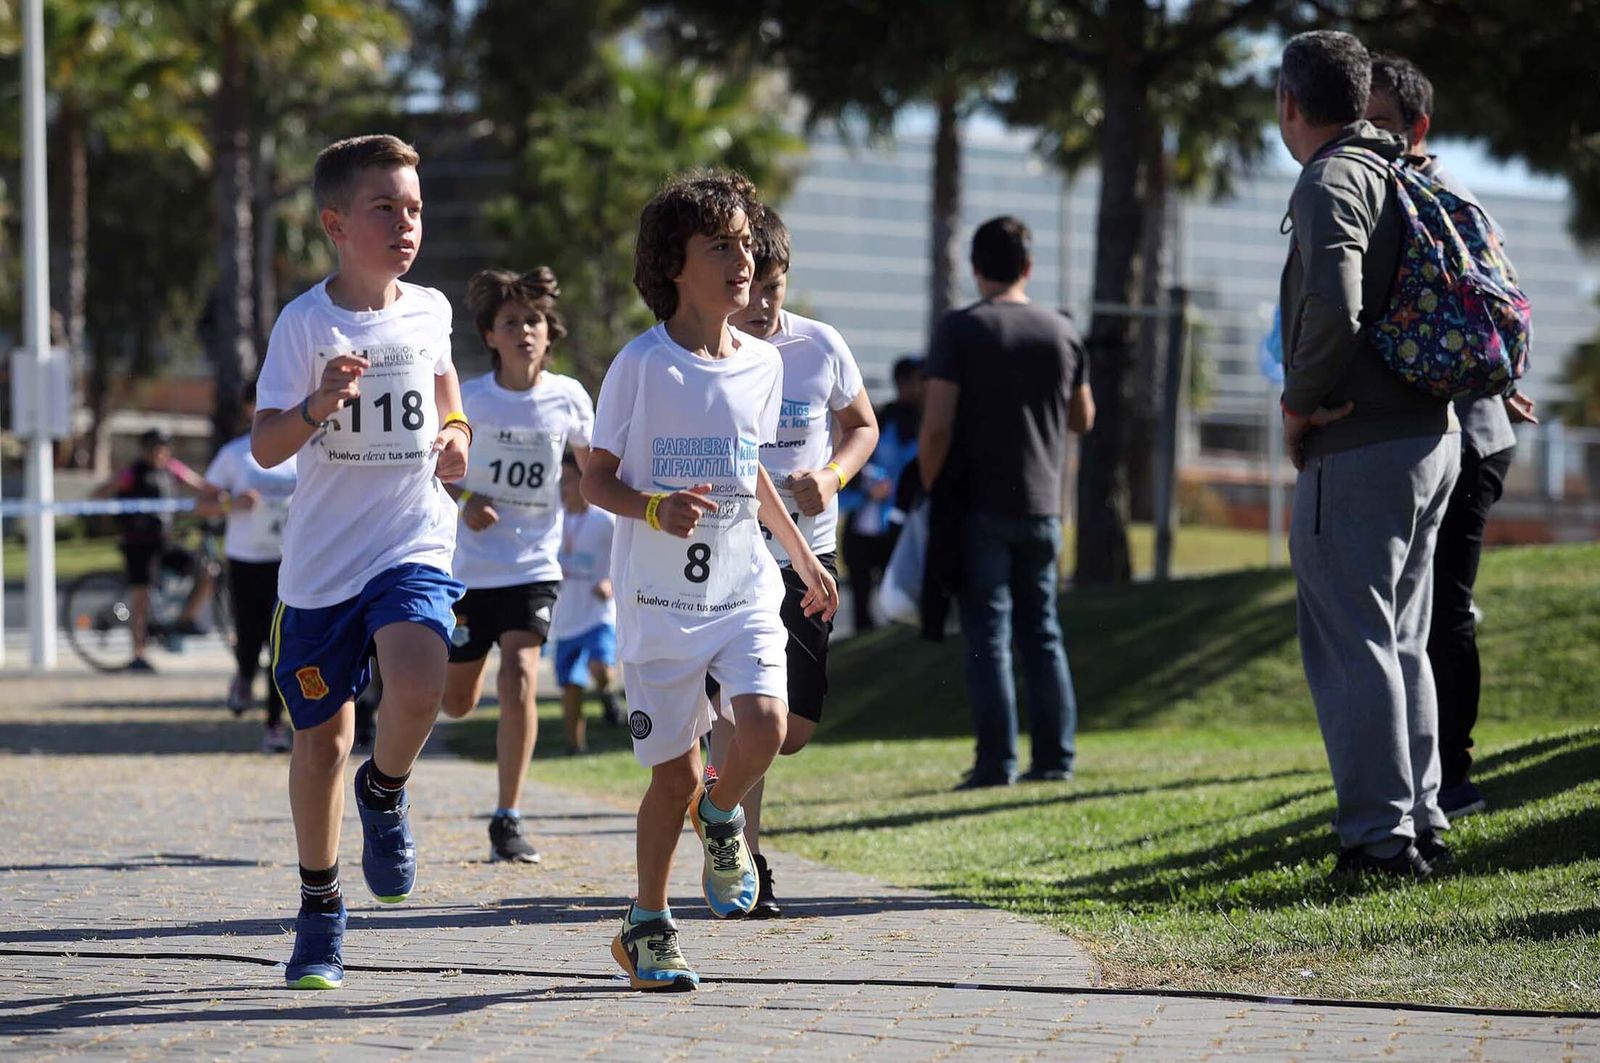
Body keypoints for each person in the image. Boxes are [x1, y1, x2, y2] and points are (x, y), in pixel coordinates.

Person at [583, 169, 838, 990]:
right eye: (719, 245)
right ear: (673, 266)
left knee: (764, 724)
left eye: (747, 242)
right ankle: (646, 922)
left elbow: (748, 472)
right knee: (673, 777)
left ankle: (722, 816)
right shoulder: (641, 365)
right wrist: (653, 510)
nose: (742, 259)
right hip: (660, 604)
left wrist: (799, 556)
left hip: (742, 590)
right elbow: (596, 480)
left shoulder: (764, 364)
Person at [252, 133, 471, 990]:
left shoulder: (431, 309)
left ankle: (385, 789)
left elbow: (447, 388)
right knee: (321, 743)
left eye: (415, 208)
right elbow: (267, 443)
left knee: (419, 683)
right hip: (321, 570)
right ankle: (319, 907)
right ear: (336, 224)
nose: (407, 223)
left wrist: (455, 436)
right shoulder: (306, 322)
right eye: (387, 207)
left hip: (411, 537)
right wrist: (316, 404)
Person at [1276, 32, 1459, 881]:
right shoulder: (1404, 166)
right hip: (1433, 435)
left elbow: (1335, 302)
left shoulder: (1332, 178)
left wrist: (1297, 402)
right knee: (1404, 639)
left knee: (1354, 643)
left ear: (1290, 103)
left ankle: (1379, 842)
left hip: (1359, 445)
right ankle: (1422, 819)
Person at [1365, 54, 1538, 822]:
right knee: (1413, 612)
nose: (1364, 134)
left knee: (1443, 611)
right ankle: (1415, 776)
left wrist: (1497, 379)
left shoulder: (1439, 196)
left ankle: (1451, 777)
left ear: (1418, 127)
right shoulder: (1388, 189)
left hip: (1470, 433)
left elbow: (1498, 307)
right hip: (1445, 426)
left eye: (1377, 121)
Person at [707, 207, 878, 916]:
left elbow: (863, 425)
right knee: (746, 713)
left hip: (809, 556)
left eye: (776, 286)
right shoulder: (710, 354)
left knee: (793, 730)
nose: (763, 302)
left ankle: (714, 804)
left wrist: (833, 476)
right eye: (754, 286)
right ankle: (743, 858)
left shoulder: (820, 346)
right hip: (727, 553)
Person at [919, 216, 1094, 791]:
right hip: (1044, 506)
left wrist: (926, 483)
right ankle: (1055, 758)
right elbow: (1083, 417)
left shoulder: (962, 330)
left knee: (988, 637)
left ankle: (997, 762)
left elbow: (938, 424)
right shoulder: (1062, 330)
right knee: (1042, 632)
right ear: (1028, 266)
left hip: (980, 507)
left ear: (975, 267)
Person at [438, 266, 594, 865]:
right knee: (456, 702)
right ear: (490, 335)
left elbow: (599, 468)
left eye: (533, 321)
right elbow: (428, 470)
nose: (524, 331)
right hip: (469, 570)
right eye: (511, 322)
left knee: (523, 674)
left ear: (547, 333)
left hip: (534, 564)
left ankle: (508, 816)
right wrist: (464, 501)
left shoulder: (570, 397)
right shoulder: (470, 399)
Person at [199, 381, 298, 752]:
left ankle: (274, 725)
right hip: (245, 560)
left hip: (287, 561)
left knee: (280, 645)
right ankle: (242, 675)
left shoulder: (303, 450)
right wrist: (231, 504)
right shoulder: (234, 454)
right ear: (247, 409)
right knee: (250, 639)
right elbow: (203, 504)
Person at [93, 427, 215, 671]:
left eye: (164, 447)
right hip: (138, 544)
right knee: (141, 598)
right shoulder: (132, 473)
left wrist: (223, 496)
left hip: (163, 541)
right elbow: (100, 493)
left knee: (208, 571)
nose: (160, 452)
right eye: (156, 447)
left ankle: (185, 620)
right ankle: (138, 653)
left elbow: (201, 485)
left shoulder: (172, 469)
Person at [840, 355, 923, 633]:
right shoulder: (880, 421)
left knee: (899, 605)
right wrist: (869, 490)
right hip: (863, 528)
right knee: (862, 607)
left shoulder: (928, 426)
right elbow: (854, 468)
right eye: (919, 380)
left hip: (902, 530)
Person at [549, 451, 623, 755]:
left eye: (568, 480)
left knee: (599, 668)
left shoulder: (604, 520)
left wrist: (611, 583)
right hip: (564, 617)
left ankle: (607, 693)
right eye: (560, 481)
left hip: (598, 614)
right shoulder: (554, 520)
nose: (563, 488)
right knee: (570, 686)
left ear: (583, 481)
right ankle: (575, 745)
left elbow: (628, 554)